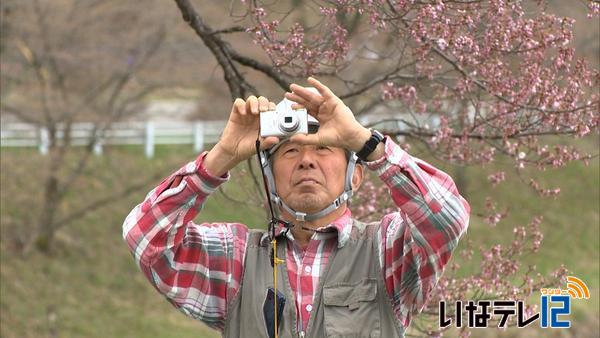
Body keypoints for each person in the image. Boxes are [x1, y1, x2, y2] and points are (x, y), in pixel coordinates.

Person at [122, 77, 470, 338]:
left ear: (356, 177)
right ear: (270, 179)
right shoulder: (237, 259)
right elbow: (146, 240)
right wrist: (221, 157)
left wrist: (367, 144)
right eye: (290, 152)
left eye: (323, 150)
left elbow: (448, 218)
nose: (306, 161)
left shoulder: (385, 249)